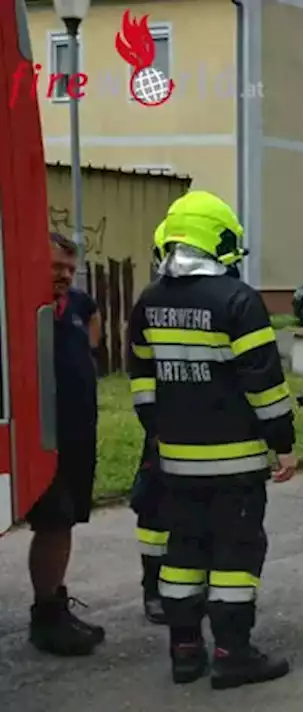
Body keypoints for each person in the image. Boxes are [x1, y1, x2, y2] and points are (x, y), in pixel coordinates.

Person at [126, 190, 298, 688]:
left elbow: (141, 378)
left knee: (182, 554)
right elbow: (264, 383)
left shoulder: (149, 301)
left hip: (175, 462)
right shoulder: (239, 300)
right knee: (235, 557)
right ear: (219, 239)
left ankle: (185, 652)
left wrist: (159, 433)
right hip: (237, 463)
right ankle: (232, 654)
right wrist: (282, 443)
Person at [23, 232, 105, 657]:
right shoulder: (22, 307)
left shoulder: (76, 305)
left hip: (77, 434)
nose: (65, 275)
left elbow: (92, 327)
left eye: (71, 269)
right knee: (52, 522)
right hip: (39, 438)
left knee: (66, 520)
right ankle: (45, 618)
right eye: (57, 266)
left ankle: (56, 603)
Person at [130, 221, 170, 625]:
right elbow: (139, 368)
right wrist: (153, 423)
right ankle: (152, 589)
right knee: (154, 512)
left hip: (206, 425)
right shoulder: (150, 301)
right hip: (162, 428)